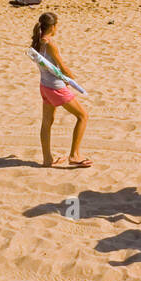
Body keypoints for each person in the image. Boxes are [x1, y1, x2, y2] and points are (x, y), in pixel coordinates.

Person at [32, 12, 91, 167]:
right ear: (52, 27)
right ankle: (74, 156)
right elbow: (62, 65)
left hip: (44, 86)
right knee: (83, 116)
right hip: (55, 87)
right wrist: (72, 79)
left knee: (46, 122)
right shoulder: (50, 44)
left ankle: (47, 159)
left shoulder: (36, 41)